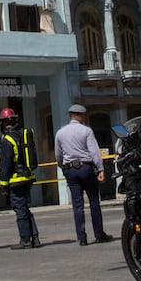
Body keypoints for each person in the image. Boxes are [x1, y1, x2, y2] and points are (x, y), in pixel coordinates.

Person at [54, 103, 113, 246]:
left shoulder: (60, 132)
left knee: (77, 205)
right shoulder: (86, 131)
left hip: (71, 170)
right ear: (80, 115)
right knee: (94, 201)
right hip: (86, 168)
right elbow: (94, 151)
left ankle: (82, 237)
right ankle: (99, 234)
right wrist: (100, 169)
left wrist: (63, 167)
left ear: (71, 115)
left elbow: (58, 154)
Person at [0, 107, 41, 249]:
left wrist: (3, 185)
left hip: (15, 180)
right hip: (28, 177)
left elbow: (5, 164)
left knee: (20, 210)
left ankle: (25, 240)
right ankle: (35, 238)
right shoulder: (23, 134)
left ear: (3, 123)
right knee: (26, 208)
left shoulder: (7, 139)